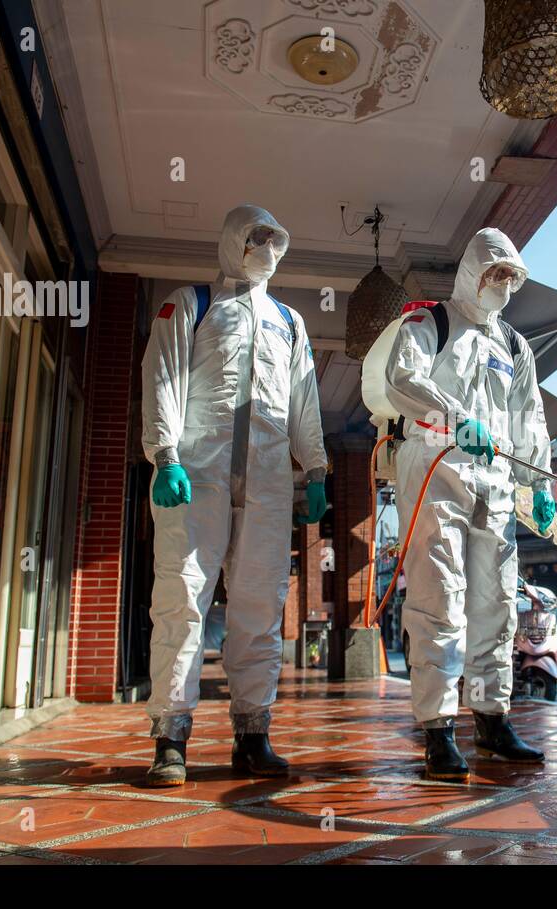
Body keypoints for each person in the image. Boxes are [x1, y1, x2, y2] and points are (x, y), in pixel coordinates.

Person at [141, 204, 328, 786]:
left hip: (269, 481)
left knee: (260, 605)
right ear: (231, 241)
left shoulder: (289, 321)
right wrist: (165, 454)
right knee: (182, 597)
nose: (265, 247)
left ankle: (253, 733)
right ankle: (170, 737)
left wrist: (316, 467)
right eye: (255, 237)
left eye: (275, 238)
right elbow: (164, 374)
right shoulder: (193, 304)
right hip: (198, 474)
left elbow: (303, 399)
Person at [381, 227, 557, 781]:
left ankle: (491, 718)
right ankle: (438, 729)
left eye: (510, 276)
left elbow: (530, 418)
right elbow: (401, 379)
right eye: (494, 272)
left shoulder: (515, 346)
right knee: (441, 597)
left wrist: (541, 483)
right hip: (437, 469)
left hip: (498, 481)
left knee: (496, 603)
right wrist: (457, 421)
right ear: (471, 272)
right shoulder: (429, 322)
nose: (501, 284)